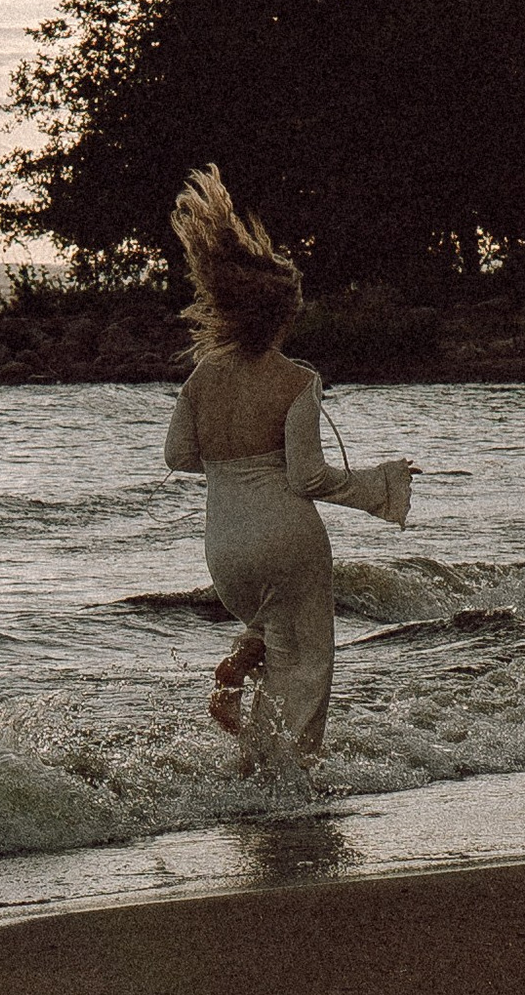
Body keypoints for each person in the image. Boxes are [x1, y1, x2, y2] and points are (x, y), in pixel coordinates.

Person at [162, 166, 415, 763]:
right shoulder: (298, 380)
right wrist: (384, 483)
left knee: (276, 636)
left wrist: (234, 470)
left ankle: (241, 703)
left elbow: (178, 456)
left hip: (225, 547)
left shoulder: (202, 378)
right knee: (304, 665)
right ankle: (291, 783)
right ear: (282, 316)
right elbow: (307, 477)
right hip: (287, 538)